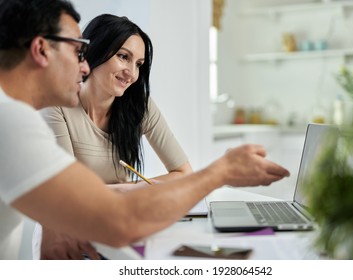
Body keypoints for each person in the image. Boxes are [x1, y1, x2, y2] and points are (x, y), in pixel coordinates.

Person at [0, 0, 290, 260]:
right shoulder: (12, 123)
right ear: (40, 50)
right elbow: (115, 219)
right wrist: (221, 171)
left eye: (138, 63)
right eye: (78, 51)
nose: (84, 66)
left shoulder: (12, 117)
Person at [35, 14, 193, 259]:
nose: (131, 73)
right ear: (95, 51)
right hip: (68, 235)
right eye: (123, 57)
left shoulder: (139, 107)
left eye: (139, 64)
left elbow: (184, 174)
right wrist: (133, 190)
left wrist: (127, 190)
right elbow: (68, 194)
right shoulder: (57, 105)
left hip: (118, 231)